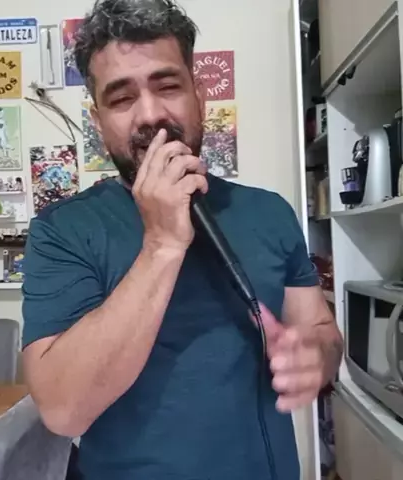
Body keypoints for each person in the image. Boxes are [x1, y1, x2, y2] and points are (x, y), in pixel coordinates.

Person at [21, 1, 343, 479]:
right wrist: (162, 245)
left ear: (200, 99)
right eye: (121, 98)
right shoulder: (61, 231)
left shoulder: (270, 212)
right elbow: (62, 409)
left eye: (168, 86)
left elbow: (321, 331)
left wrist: (317, 356)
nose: (151, 114)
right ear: (98, 123)